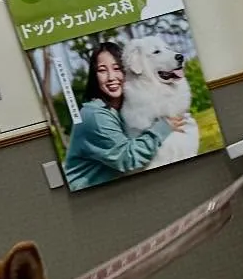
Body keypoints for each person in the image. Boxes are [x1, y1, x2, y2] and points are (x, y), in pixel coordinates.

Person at [63, 42, 187, 191]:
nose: (111, 77)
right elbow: (128, 159)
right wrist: (163, 127)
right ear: (94, 76)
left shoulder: (123, 107)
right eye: (102, 70)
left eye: (117, 69)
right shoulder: (94, 115)